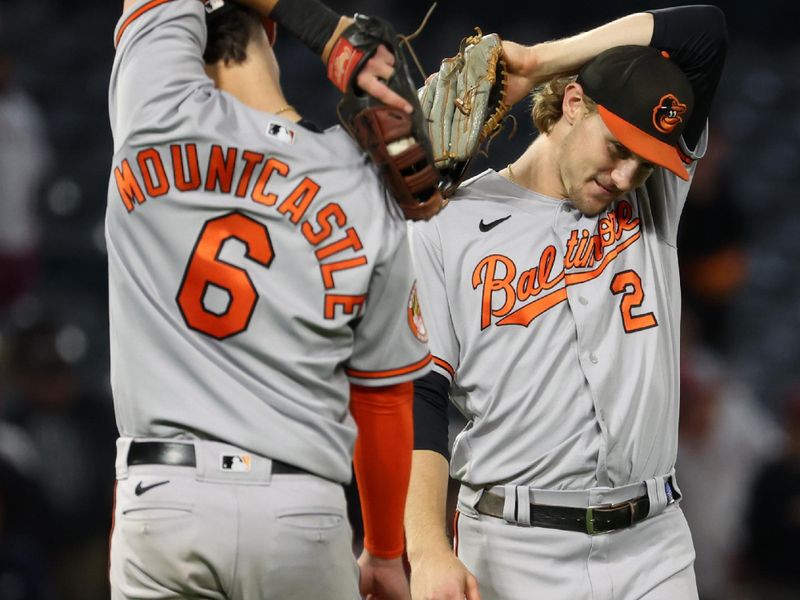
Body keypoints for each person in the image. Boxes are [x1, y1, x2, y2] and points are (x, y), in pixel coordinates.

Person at [107, 1, 431, 598]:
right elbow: (383, 400)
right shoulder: (362, 179)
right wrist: (384, 551)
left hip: (164, 499)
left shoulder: (151, 113)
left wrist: (322, 26)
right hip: (300, 513)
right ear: (270, 36)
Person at [405, 5, 728, 600]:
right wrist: (425, 551)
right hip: (514, 548)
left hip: (653, 547)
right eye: (616, 147)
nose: (629, 174)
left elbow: (705, 33)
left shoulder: (657, 195)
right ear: (574, 104)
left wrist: (536, 61)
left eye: (645, 159)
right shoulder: (444, 224)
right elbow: (419, 393)